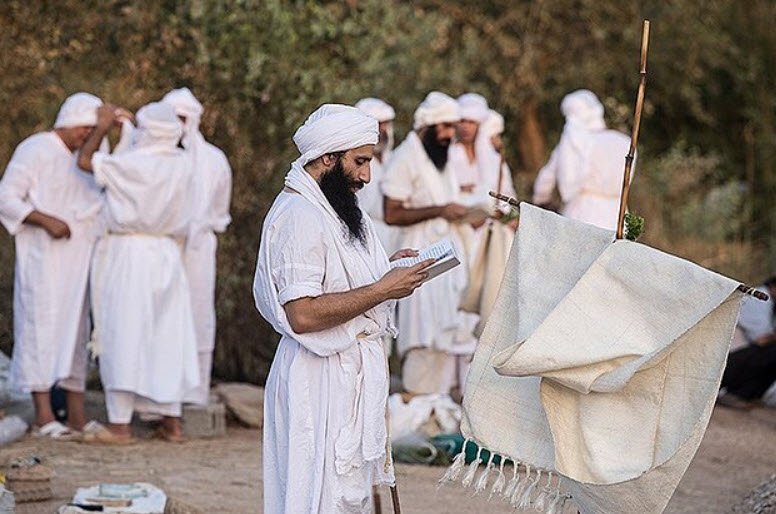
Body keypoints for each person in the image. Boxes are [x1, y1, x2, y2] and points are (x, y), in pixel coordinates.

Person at [253, 103, 433, 513]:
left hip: (349, 373)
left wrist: (388, 269)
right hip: (316, 380)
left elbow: (340, 280)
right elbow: (302, 313)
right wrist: (381, 289)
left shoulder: (336, 206)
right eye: (360, 162)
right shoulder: (300, 214)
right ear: (328, 157)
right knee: (317, 499)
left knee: (345, 496)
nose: (367, 176)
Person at [77, 102, 199, 444]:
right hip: (166, 253)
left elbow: (86, 162)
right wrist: (130, 130)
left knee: (123, 332)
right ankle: (171, 422)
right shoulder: (184, 164)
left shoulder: (134, 164)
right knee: (166, 336)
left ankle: (119, 425)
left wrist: (102, 127)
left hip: (130, 253)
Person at [0, 92, 105, 439]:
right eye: (86, 129)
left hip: (80, 261)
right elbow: (6, 196)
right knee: (40, 331)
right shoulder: (36, 148)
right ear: (68, 121)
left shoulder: (91, 155)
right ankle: (44, 417)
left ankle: (76, 416)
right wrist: (45, 220)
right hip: (43, 260)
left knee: (77, 333)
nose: (87, 137)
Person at [381, 91, 472, 396]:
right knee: (422, 333)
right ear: (428, 126)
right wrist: (441, 210)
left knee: (445, 334)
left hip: (444, 249)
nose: (450, 135)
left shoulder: (440, 158)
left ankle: (438, 406)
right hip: (418, 248)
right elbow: (391, 213)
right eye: (445, 127)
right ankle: (417, 403)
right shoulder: (405, 157)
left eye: (452, 127)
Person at [162, 87, 232, 406]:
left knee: (198, 315)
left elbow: (219, 213)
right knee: (159, 316)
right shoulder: (148, 158)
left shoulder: (215, 160)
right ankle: (158, 401)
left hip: (199, 250)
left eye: (182, 119)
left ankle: (195, 395)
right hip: (159, 249)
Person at [532, 89, 631, 230]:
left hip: (582, 213)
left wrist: (540, 201)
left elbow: (546, 179)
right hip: (619, 214)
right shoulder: (624, 142)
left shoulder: (573, 143)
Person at [718, 277, 776, 409]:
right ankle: (736, 394)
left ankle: (744, 395)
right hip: (731, 355)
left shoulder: (772, 306)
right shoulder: (760, 299)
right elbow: (761, 338)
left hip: (742, 355)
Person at [355, 97, 397, 254]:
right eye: (378, 125)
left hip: (393, 237)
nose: (382, 130)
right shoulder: (357, 165)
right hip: (368, 238)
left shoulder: (391, 158)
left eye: (385, 124)